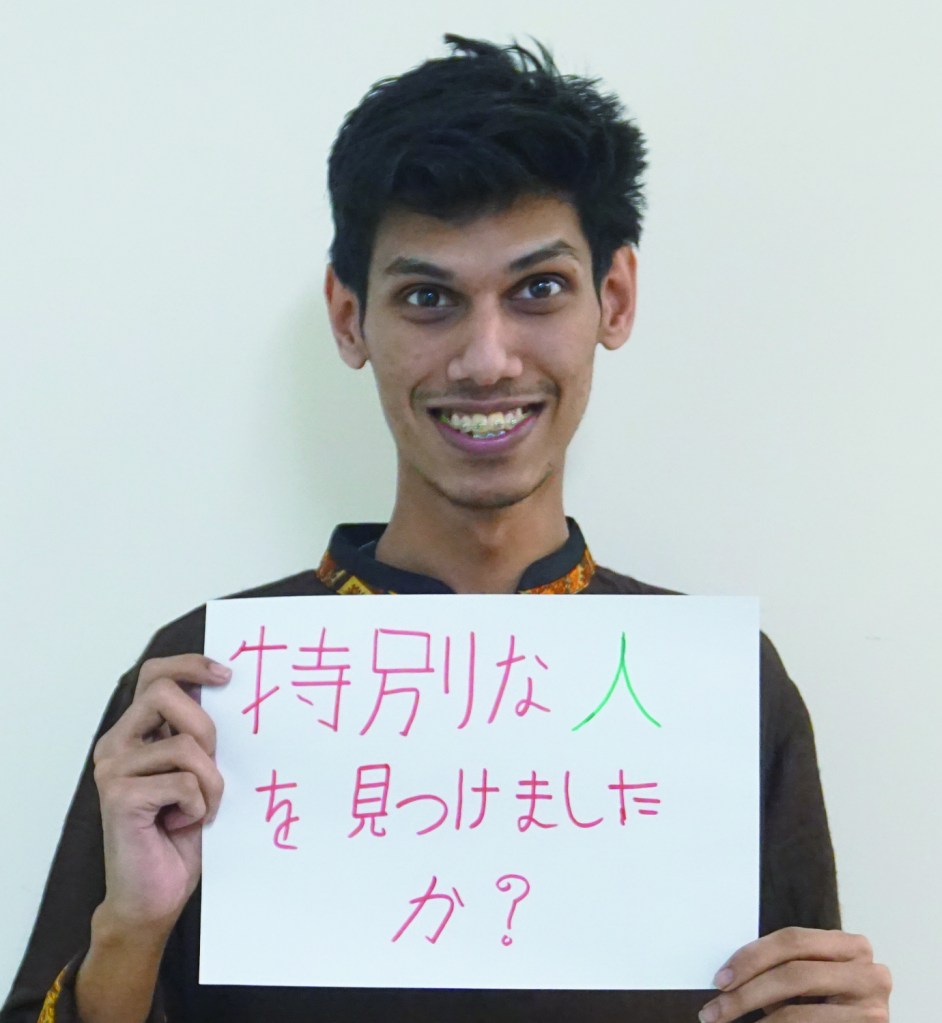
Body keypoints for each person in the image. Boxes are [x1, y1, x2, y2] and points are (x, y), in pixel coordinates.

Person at [2, 35, 891, 1023]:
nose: (486, 359)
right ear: (350, 318)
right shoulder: (203, 685)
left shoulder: (721, 690)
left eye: (538, 289)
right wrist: (130, 930)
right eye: (428, 298)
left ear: (615, 297)